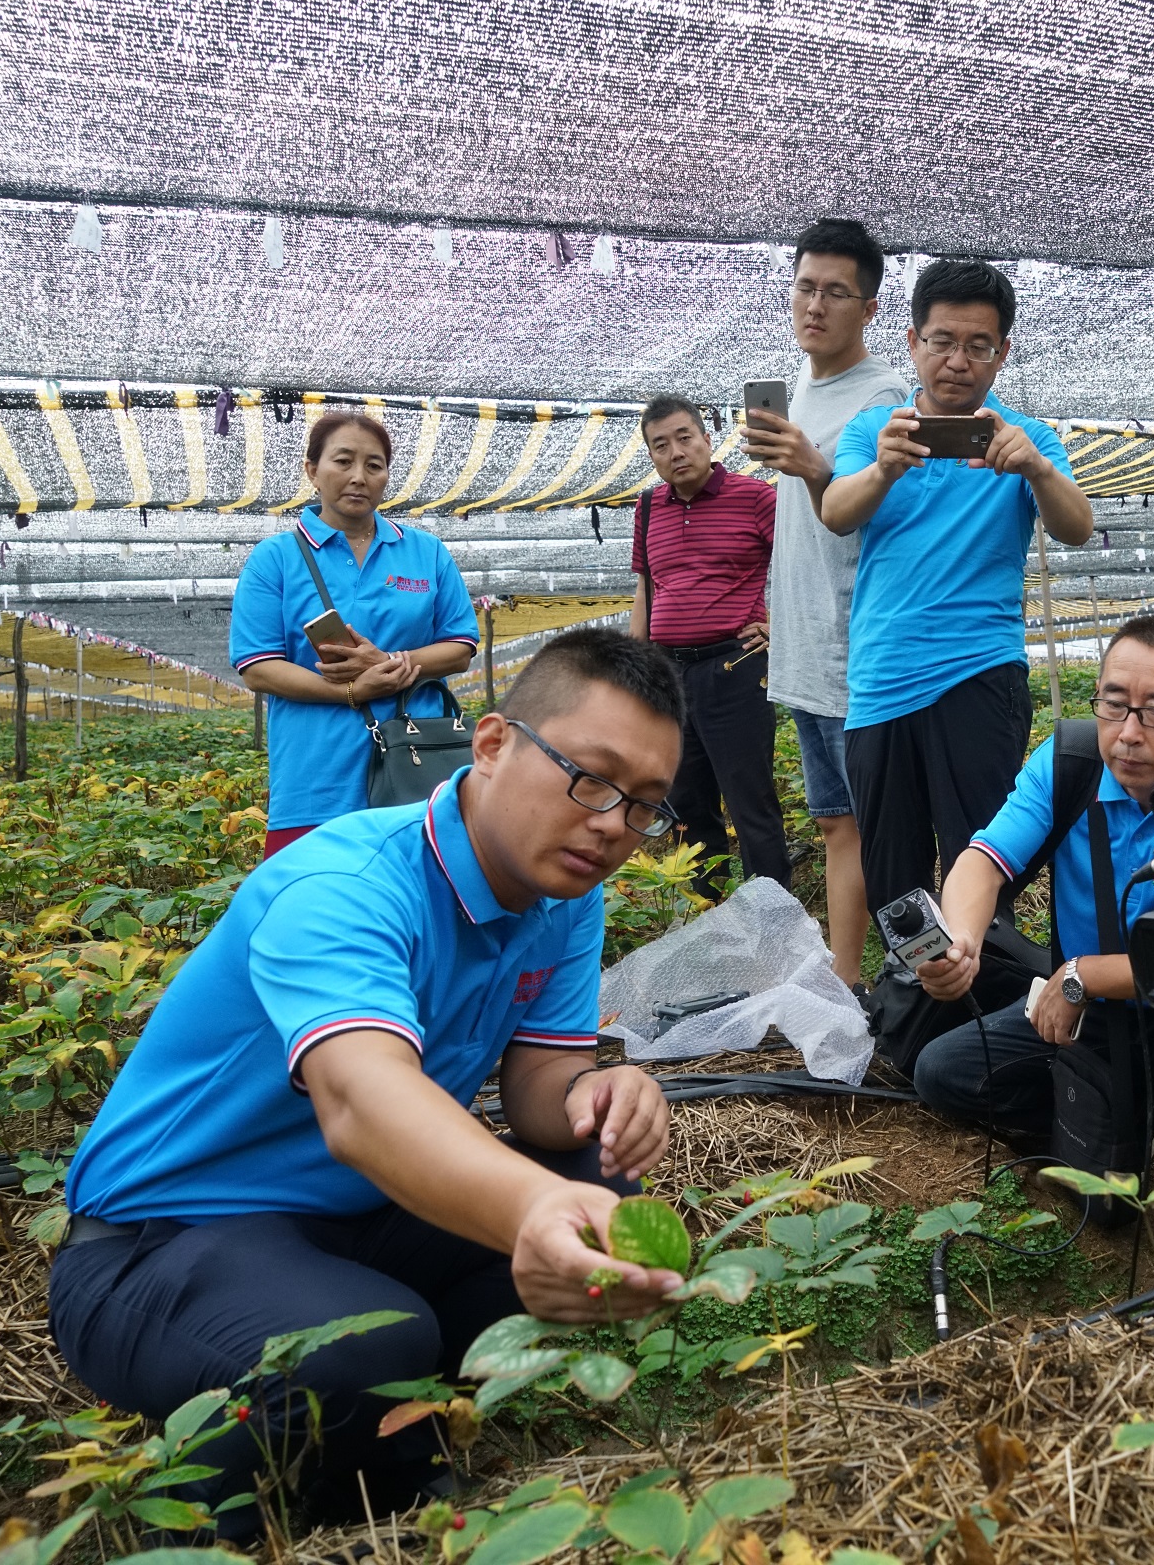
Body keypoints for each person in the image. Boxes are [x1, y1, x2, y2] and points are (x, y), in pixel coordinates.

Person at [51, 630, 687, 1536]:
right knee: (372, 1340)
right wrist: (527, 1214)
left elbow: (545, 1080)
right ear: (495, 744)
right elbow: (360, 1101)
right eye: (590, 779)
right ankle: (206, 1521)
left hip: (354, 1220)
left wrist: (600, 1096)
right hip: (162, 1241)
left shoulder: (565, 897)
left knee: (599, 1187)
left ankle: (390, 1418)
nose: (612, 824)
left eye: (644, 807)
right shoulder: (345, 884)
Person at [908, 615, 1154, 1236]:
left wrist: (1084, 974)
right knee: (945, 1073)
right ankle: (1137, 1102)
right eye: (1114, 705)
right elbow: (982, 861)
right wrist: (963, 939)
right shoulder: (1067, 765)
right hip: (1090, 1012)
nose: (1128, 734)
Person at [820, 258, 1097, 913]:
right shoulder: (873, 432)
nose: (957, 361)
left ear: (1001, 354)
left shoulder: (1026, 437)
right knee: (895, 881)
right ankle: (909, 1008)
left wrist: (1035, 470)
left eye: (978, 346)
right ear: (913, 343)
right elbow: (836, 513)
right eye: (942, 341)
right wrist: (885, 469)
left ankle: (985, 1003)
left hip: (979, 676)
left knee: (983, 868)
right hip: (882, 684)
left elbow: (1077, 527)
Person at [738, 218, 909, 985]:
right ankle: (848, 980)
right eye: (806, 286)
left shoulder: (884, 394)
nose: (816, 305)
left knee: (874, 826)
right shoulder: (802, 386)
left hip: (850, 645)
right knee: (838, 820)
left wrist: (811, 466)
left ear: (869, 308)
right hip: (805, 643)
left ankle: (894, 975)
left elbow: (865, 509)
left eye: (837, 292)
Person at [230, 412, 481, 855]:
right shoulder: (276, 558)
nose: (358, 477)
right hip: (315, 771)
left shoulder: (425, 551)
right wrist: (352, 691)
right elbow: (259, 667)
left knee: (424, 904)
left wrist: (386, 663)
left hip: (416, 763)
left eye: (374, 465)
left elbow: (460, 646)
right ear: (312, 470)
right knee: (316, 900)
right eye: (343, 461)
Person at [630, 396, 792, 895]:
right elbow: (646, 587)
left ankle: (774, 923)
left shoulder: (757, 498)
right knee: (688, 805)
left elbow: (801, 567)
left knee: (750, 804)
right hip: (669, 676)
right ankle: (709, 920)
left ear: (706, 438)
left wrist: (780, 627)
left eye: (684, 437)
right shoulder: (649, 506)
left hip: (734, 668)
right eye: (661, 445)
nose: (676, 452)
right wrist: (633, 670)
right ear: (653, 456)